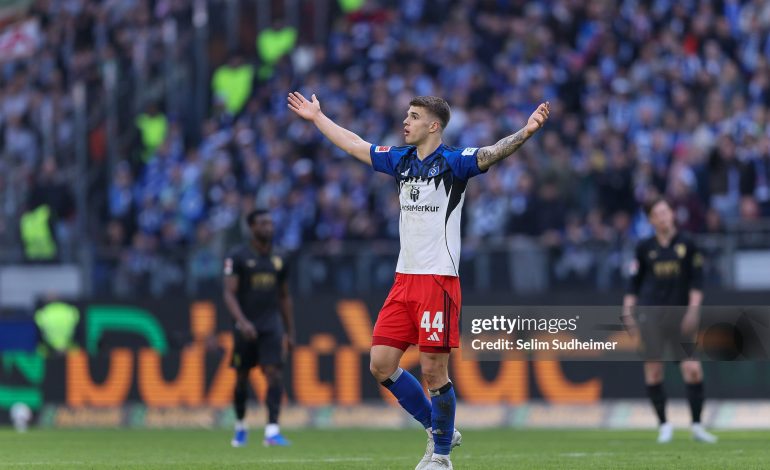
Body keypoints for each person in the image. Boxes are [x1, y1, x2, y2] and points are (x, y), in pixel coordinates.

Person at [288, 91, 549, 469]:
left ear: (434, 125)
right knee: (380, 364)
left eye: (413, 116)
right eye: (406, 115)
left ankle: (441, 456)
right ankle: (439, 427)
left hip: (437, 280)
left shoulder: (454, 162)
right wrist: (318, 118)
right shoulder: (401, 160)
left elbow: (491, 153)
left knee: (433, 371)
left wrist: (525, 132)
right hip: (404, 280)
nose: (405, 122)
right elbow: (355, 145)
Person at [623, 198, 717, 444]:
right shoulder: (644, 247)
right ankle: (664, 426)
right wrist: (627, 311)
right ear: (651, 220)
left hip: (680, 316)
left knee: (692, 369)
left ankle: (697, 426)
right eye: (658, 213)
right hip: (651, 316)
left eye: (666, 211)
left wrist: (693, 310)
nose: (664, 216)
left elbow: (697, 281)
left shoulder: (687, 243)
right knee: (654, 371)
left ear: (672, 214)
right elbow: (633, 284)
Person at [223, 209, 294, 447]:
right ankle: (241, 426)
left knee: (274, 374)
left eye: (270, 223)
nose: (268, 227)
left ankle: (272, 431)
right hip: (245, 325)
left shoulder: (280, 257)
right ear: (251, 227)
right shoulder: (238, 256)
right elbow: (229, 293)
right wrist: (243, 322)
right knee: (242, 378)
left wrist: (289, 331)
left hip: (271, 324)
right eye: (263, 223)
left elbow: (284, 296)